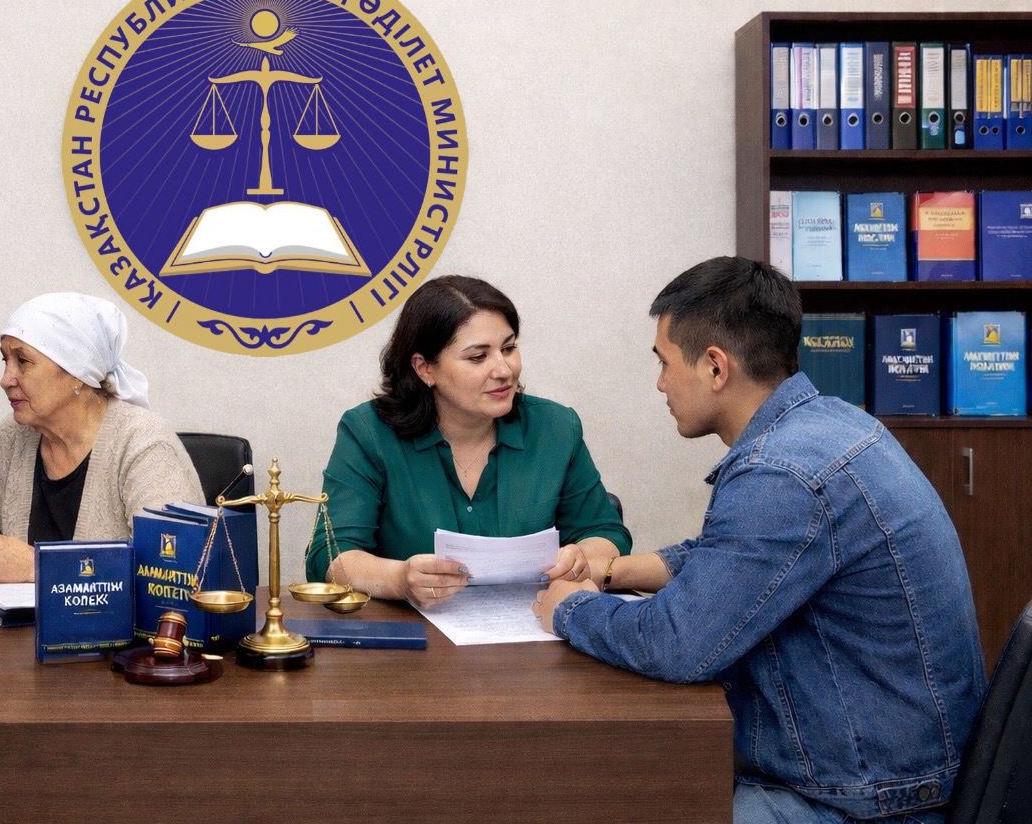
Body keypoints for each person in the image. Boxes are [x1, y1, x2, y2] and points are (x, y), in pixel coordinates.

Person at [534, 257, 985, 824]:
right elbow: (739, 559)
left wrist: (569, 609)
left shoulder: (781, 472)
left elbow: (677, 645)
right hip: (894, 765)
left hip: (869, 800)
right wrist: (611, 571)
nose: (660, 383)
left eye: (665, 362)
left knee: (622, 794)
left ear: (715, 367)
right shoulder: (831, 425)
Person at [306, 275, 630, 606]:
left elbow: (604, 532)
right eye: (478, 357)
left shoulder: (555, 427)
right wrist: (400, 579)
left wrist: (582, 559)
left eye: (509, 348)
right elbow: (331, 554)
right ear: (425, 369)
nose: (504, 370)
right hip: (412, 629)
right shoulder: (368, 432)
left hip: (532, 624)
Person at [0, 292, 203, 582]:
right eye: (5, 360)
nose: (5, 380)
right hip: (16, 615)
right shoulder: (11, 437)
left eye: (22, 361)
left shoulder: (143, 444)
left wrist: (39, 567)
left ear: (77, 372)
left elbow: (172, 570)